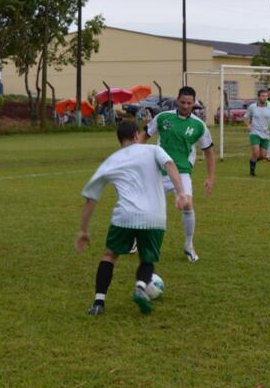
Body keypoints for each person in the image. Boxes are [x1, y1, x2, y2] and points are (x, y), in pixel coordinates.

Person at [76, 121, 190, 316]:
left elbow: (91, 197)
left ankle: (98, 303)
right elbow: (170, 164)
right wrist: (180, 192)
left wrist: (84, 230)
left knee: (109, 256)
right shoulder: (153, 150)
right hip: (154, 217)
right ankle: (140, 286)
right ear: (137, 135)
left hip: (125, 217)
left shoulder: (112, 160)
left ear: (119, 140)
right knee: (146, 258)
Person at [140, 86, 215, 262]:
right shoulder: (163, 117)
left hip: (182, 172)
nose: (186, 106)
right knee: (144, 206)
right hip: (158, 169)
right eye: (182, 102)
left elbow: (209, 152)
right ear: (177, 100)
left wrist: (210, 178)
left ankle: (189, 245)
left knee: (188, 205)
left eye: (189, 103)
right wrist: (136, 155)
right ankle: (137, 240)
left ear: (194, 103)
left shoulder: (199, 125)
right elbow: (144, 135)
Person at [245, 88, 270, 176]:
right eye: (263, 96)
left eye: (266, 96)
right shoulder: (252, 107)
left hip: (266, 133)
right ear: (258, 97)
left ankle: (252, 161)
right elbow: (246, 117)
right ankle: (252, 171)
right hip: (254, 132)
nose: (265, 98)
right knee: (256, 152)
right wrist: (248, 125)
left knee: (263, 156)